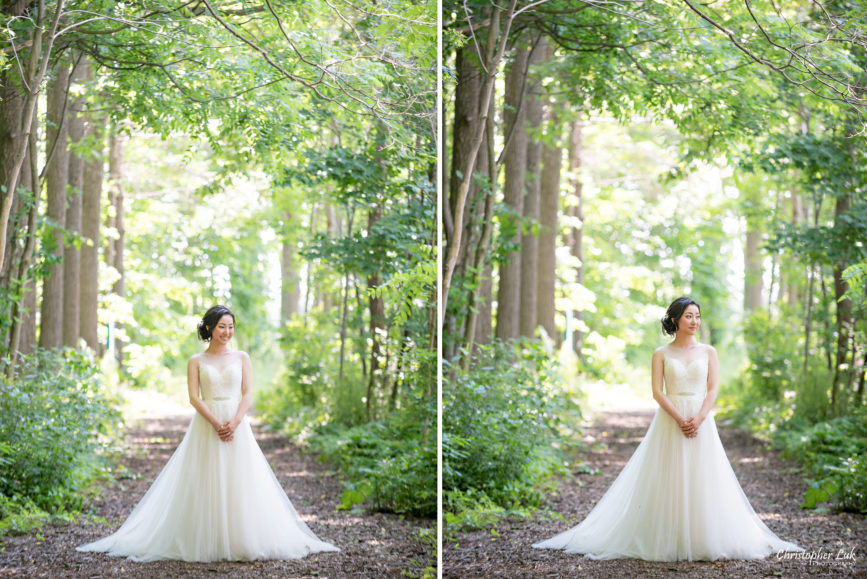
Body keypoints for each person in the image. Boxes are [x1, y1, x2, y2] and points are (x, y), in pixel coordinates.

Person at [532, 297, 804, 561]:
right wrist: (678, 418)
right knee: (667, 474)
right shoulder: (661, 353)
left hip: (701, 421)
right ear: (675, 319)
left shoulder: (709, 352)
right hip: (669, 419)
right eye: (689, 316)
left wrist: (698, 418)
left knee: (703, 475)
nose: (694, 321)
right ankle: (667, 537)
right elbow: (657, 392)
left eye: (697, 316)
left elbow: (712, 389)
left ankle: (702, 536)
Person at [77, 305, 339, 562]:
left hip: (237, 426)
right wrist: (216, 423)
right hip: (206, 424)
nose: (227, 332)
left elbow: (247, 394)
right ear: (209, 328)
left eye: (231, 327)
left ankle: (240, 537)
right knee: (203, 478)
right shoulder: (196, 361)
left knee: (240, 479)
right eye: (221, 327)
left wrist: (235, 422)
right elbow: (194, 398)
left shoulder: (242, 357)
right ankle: (204, 537)